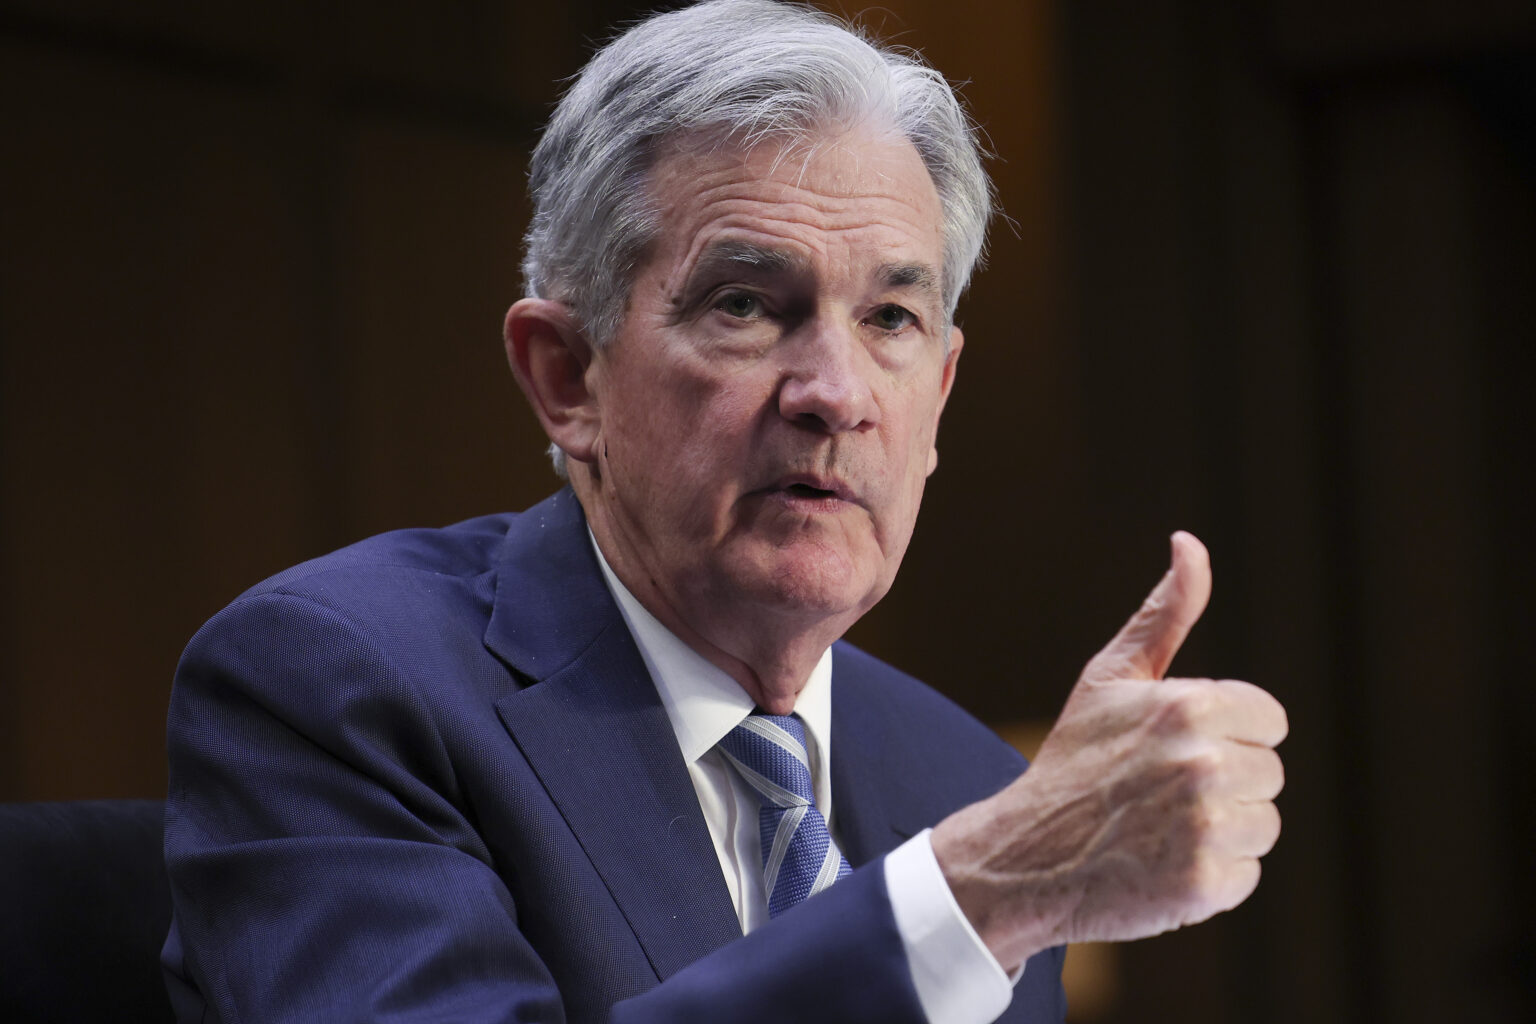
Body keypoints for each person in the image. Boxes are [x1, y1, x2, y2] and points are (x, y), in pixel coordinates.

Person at [162, 2, 1288, 1022]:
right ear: (568, 375)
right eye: (747, 304)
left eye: (891, 318)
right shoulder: (336, 686)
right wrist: (977, 892)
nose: (836, 395)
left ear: (937, 398)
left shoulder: (970, 783)